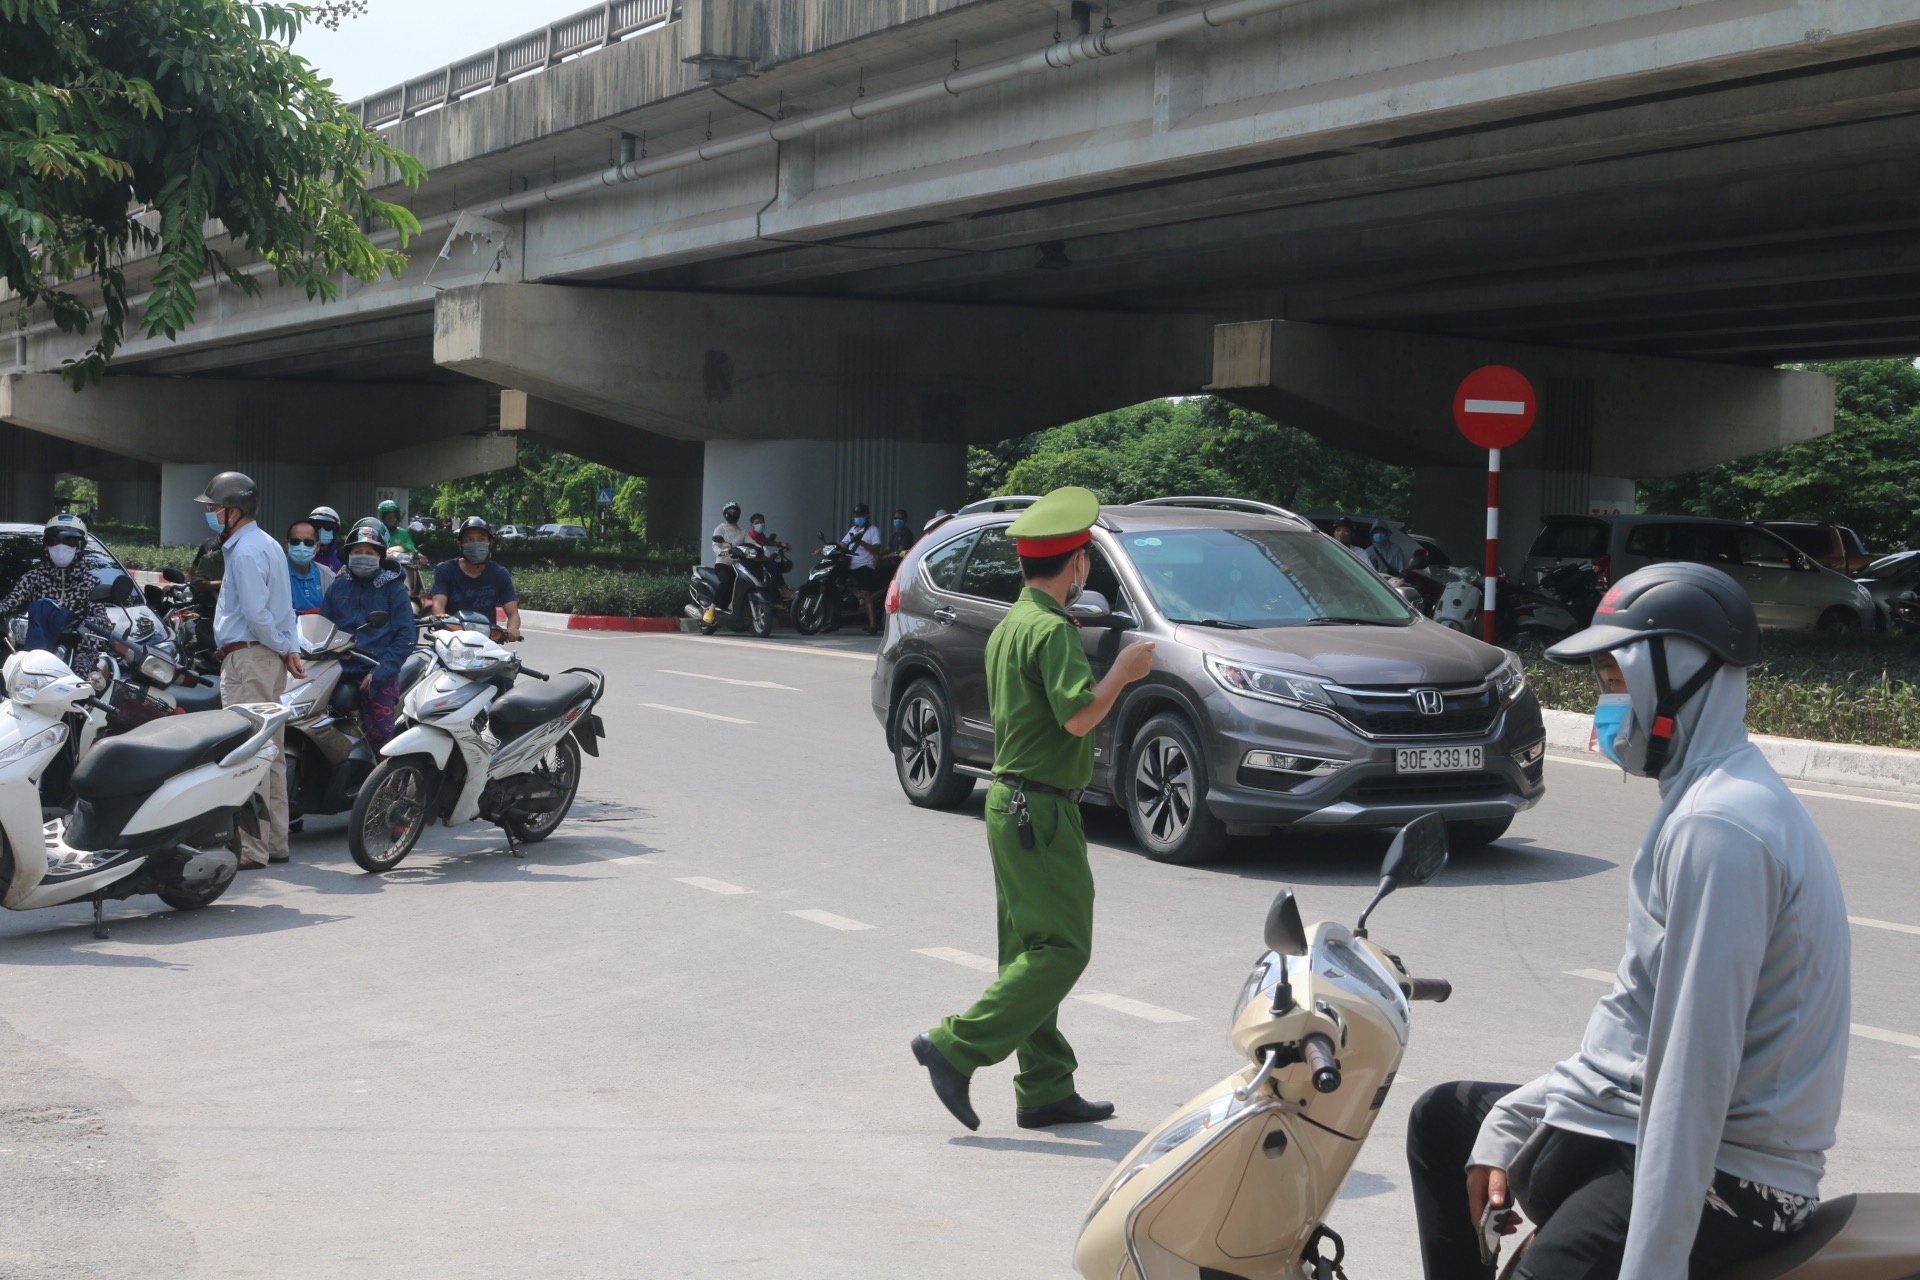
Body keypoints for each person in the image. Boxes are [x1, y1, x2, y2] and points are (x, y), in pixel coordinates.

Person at [1406, 562, 1849, 1280]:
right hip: (1642, 1119)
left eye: (1616, 681)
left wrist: (1652, 1267)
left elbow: (1691, 1074)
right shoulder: (1706, 795)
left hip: (1735, 1175)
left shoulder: (1721, 829)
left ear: (1677, 678)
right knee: (1445, 1121)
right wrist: (1511, 1118)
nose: (1609, 706)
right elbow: (1632, 1041)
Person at [911, 486, 1156, 1132]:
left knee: (1028, 951)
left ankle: (1045, 1086)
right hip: (1040, 809)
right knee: (1063, 949)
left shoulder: (1012, 624)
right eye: (1087, 562)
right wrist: (1125, 671)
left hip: (1010, 801)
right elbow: (1078, 718)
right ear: (1076, 564)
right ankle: (955, 1046)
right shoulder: (1049, 631)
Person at [197, 471, 301, 870]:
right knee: (270, 754)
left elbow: (258, 614)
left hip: (249, 656)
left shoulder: (244, 551)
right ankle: (274, 842)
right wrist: (287, 648)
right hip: (266, 655)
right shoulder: (266, 543)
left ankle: (252, 849)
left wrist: (279, 646)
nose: (209, 513)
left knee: (249, 754)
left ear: (234, 511)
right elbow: (281, 608)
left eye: (214, 508)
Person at [320, 523, 414, 753]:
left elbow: (406, 636)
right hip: (335, 670)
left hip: (376, 673)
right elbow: (322, 629)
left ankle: (389, 784)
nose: (363, 557)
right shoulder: (338, 586)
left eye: (370, 553)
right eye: (357, 552)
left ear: (380, 556)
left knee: (381, 737)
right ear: (349, 555)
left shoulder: (393, 588)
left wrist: (380, 672)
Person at [0, 513, 114, 673]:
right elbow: (9, 602)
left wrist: (80, 630)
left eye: (69, 541)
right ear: (46, 545)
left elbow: (99, 618)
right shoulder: (33, 578)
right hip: (32, 655)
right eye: (53, 541)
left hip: (73, 656)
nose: (60, 547)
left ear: (81, 546)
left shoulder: (90, 583)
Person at [431, 516, 521, 640]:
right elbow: (438, 602)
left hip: (486, 642)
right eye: (470, 539)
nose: (476, 543)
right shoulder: (445, 570)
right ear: (460, 544)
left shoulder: (500, 574)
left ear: (490, 543)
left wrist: (513, 628)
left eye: (481, 539)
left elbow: (513, 613)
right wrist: (440, 618)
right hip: (451, 640)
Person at [840, 502, 886, 634]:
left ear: (867, 516)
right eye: (856, 515)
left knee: (866, 594)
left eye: (860, 515)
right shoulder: (853, 530)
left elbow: (877, 550)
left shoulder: (873, 531)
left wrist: (861, 542)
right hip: (851, 565)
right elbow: (843, 543)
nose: (858, 517)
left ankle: (872, 624)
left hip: (865, 566)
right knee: (840, 583)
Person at [285, 519, 336, 615]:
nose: (301, 547)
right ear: (287, 545)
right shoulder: (276, 573)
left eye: (308, 543)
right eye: (295, 541)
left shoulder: (327, 576)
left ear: (317, 547)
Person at [746, 513, 794, 600]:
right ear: (751, 525)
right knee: (772, 565)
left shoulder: (759, 534)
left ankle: (778, 599)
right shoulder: (750, 537)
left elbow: (767, 541)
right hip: (751, 562)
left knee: (774, 568)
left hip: (758, 559)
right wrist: (768, 558)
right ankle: (784, 591)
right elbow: (754, 556)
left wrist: (780, 544)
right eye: (757, 523)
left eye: (762, 522)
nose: (760, 525)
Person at [308, 505, 344, 572]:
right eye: (317, 526)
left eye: (327, 527)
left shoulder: (341, 557)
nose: (321, 530)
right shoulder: (305, 555)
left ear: (335, 531)